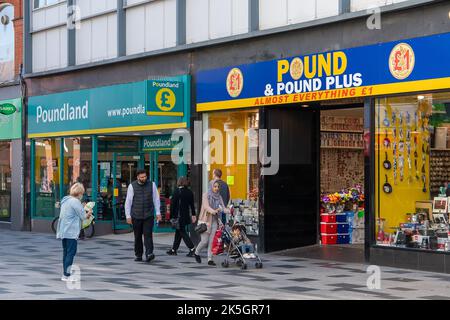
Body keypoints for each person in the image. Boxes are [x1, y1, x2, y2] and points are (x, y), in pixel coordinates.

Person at [56, 182, 93, 281]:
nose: (82, 195)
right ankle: (66, 275)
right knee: (71, 253)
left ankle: (65, 273)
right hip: (71, 231)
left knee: (66, 252)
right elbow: (83, 216)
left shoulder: (65, 200)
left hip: (63, 231)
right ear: (80, 193)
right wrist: (88, 213)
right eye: (82, 193)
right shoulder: (75, 202)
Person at [125, 169, 161, 263]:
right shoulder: (132, 186)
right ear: (137, 177)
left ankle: (149, 253)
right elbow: (128, 202)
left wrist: (158, 213)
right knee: (137, 237)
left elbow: (156, 199)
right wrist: (128, 216)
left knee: (148, 235)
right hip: (136, 215)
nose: (144, 178)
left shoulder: (152, 185)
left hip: (148, 215)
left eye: (145, 176)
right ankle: (138, 255)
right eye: (142, 177)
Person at [194, 181, 230, 266]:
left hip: (214, 221)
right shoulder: (205, 195)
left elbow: (223, 208)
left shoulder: (219, 197)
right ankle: (196, 252)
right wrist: (214, 211)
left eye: (218, 187)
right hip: (205, 221)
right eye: (215, 186)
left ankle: (210, 259)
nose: (216, 188)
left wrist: (229, 210)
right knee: (204, 241)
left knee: (211, 241)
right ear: (211, 187)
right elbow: (206, 207)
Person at [166, 177, 197, 257]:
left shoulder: (177, 192)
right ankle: (174, 250)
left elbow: (173, 205)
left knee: (182, 232)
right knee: (178, 232)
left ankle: (192, 248)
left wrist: (171, 216)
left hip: (178, 216)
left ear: (179, 182)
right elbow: (192, 205)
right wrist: (193, 215)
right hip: (185, 216)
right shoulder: (189, 192)